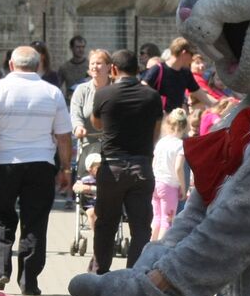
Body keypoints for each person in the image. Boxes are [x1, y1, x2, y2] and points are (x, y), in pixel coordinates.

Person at [0, 46, 72, 296]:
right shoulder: (52, 93)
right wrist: (65, 169)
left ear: (10, 65)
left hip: (5, 162)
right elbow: (63, 136)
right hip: (41, 164)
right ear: (39, 65)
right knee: (35, 222)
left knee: (0, 216)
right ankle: (29, 280)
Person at [89, 48, 164, 273]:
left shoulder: (104, 94)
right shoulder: (152, 96)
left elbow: (97, 124)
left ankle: (99, 275)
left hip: (112, 167)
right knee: (141, 227)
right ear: (138, 70)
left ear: (113, 69)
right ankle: (134, 276)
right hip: (141, 167)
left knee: (105, 224)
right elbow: (156, 131)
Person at [141, 38, 214, 112]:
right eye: (191, 54)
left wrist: (220, 104)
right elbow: (141, 92)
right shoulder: (158, 69)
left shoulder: (186, 73)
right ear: (184, 53)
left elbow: (201, 95)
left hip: (175, 120)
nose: (192, 59)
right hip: (158, 119)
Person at [151, 109, 189, 242]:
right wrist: (183, 188)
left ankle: (150, 245)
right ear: (184, 127)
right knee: (167, 220)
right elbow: (178, 168)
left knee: (156, 218)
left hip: (156, 183)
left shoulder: (161, 142)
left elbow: (154, 163)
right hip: (169, 185)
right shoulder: (180, 145)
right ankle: (158, 250)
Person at [69, 49, 111, 167]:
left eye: (98, 63)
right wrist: (78, 127)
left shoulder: (116, 89)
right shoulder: (81, 90)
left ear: (108, 67)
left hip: (113, 148)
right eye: (92, 63)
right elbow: (75, 113)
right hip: (88, 147)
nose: (94, 67)